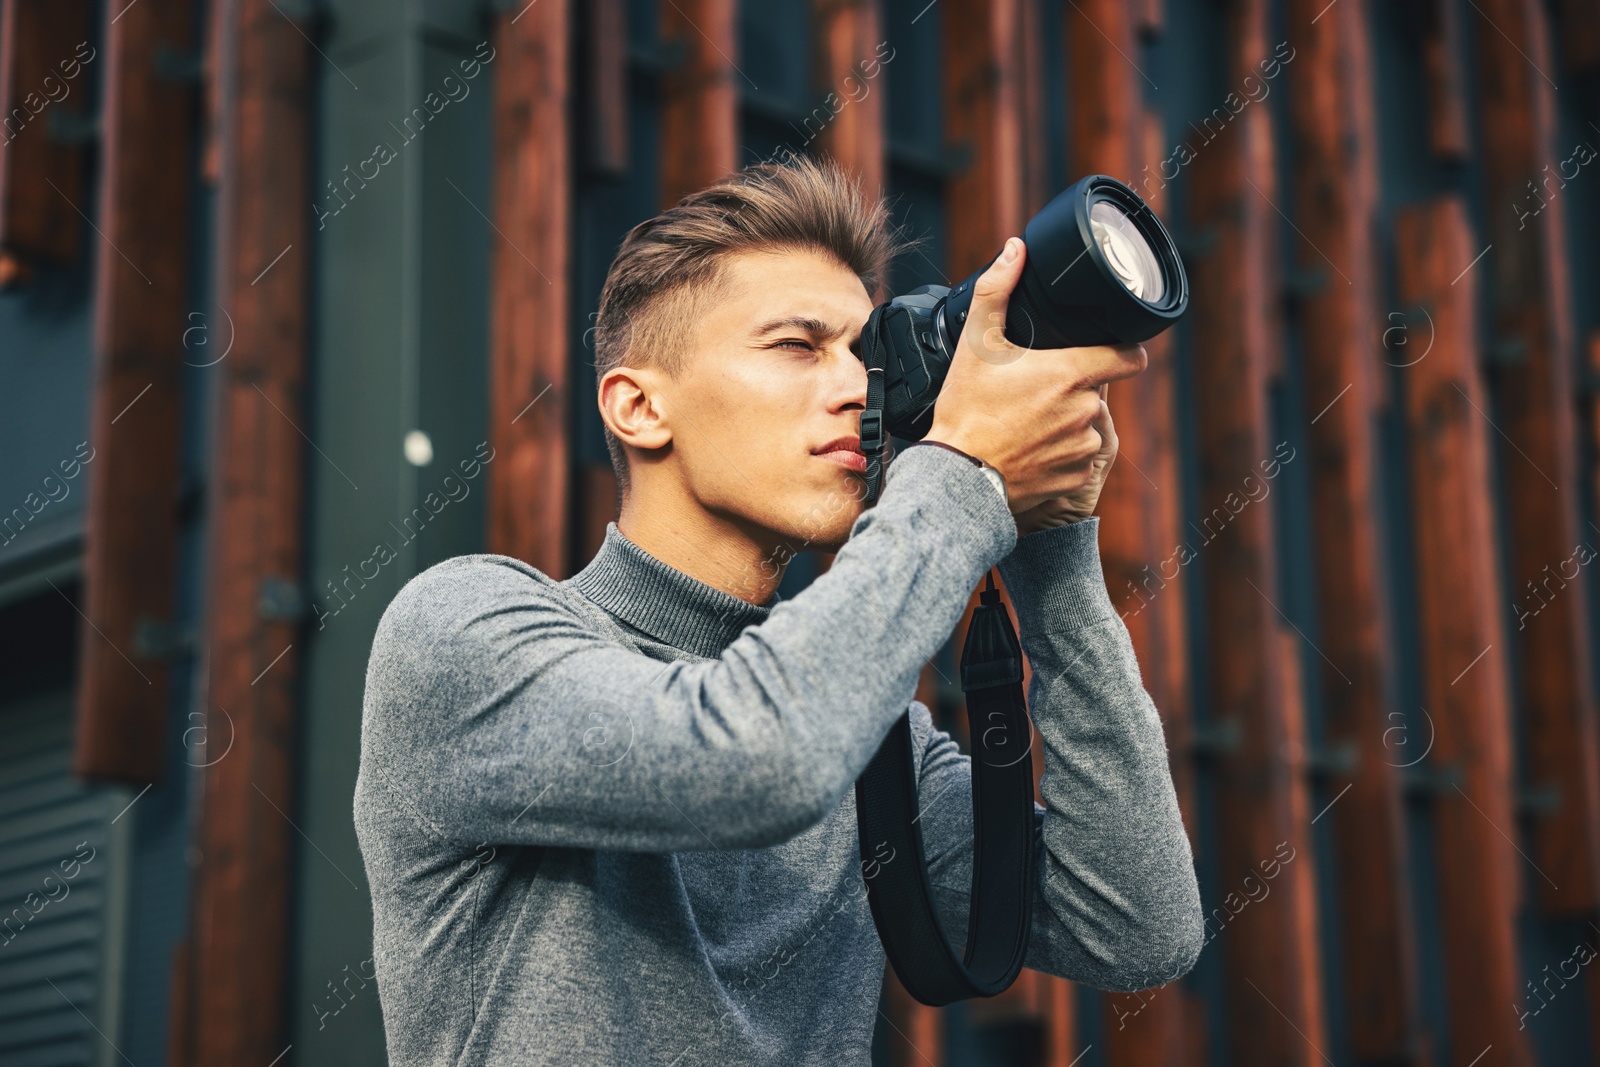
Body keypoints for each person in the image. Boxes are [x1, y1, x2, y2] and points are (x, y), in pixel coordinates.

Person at [355, 155, 1203, 1066]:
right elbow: (756, 756)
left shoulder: (873, 748)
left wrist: (1052, 545)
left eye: (861, 352)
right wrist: (963, 472)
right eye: (798, 346)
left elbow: (1136, 922)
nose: (853, 386)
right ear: (639, 406)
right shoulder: (462, 632)